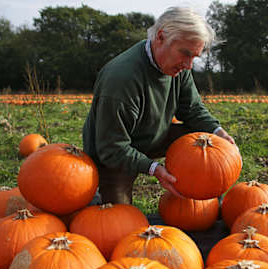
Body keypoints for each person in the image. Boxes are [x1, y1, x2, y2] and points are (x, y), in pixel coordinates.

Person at [83, 6, 236, 205]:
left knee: (208, 145)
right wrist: (153, 168)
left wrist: (218, 133)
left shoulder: (177, 68)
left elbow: (191, 108)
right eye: (185, 53)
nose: (189, 65)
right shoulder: (121, 79)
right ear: (161, 36)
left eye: (194, 57)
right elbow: (111, 148)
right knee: (117, 217)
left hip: (154, 134)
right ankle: (97, 193)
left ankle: (211, 205)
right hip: (114, 153)